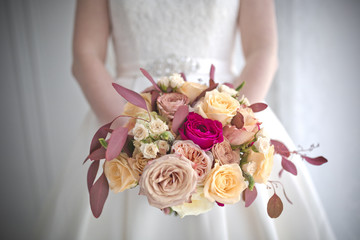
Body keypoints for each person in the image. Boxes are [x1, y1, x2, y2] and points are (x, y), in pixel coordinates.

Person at [37, 0, 335, 239]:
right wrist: (129, 130)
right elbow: (85, 54)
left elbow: (263, 50)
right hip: (126, 109)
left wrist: (234, 121)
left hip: (222, 104)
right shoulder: (126, 125)